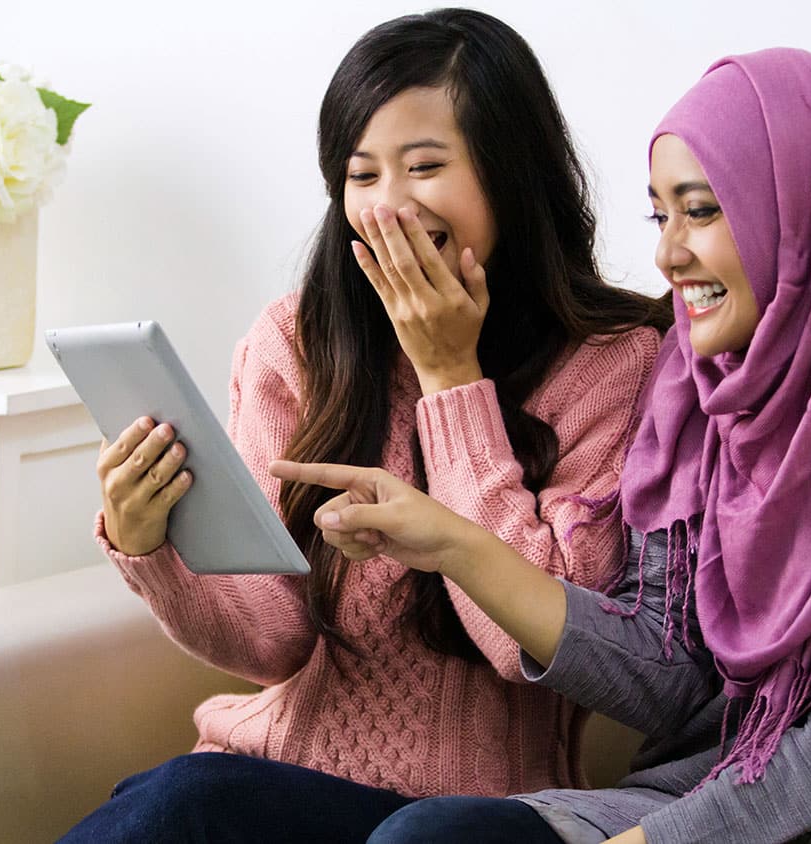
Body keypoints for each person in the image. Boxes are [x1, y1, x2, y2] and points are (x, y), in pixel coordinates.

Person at [272, 48, 811, 843]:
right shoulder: (694, 396)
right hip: (674, 808)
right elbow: (666, 675)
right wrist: (453, 543)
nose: (668, 254)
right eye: (663, 215)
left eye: (704, 211)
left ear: (810, 212)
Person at [61, 8, 670, 842]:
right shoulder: (297, 342)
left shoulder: (615, 363)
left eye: (425, 166)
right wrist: (149, 545)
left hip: (467, 820)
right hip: (272, 785)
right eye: (361, 175)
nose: (388, 207)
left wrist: (449, 377)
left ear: (511, 173)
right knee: (179, 800)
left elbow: (531, 643)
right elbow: (271, 641)